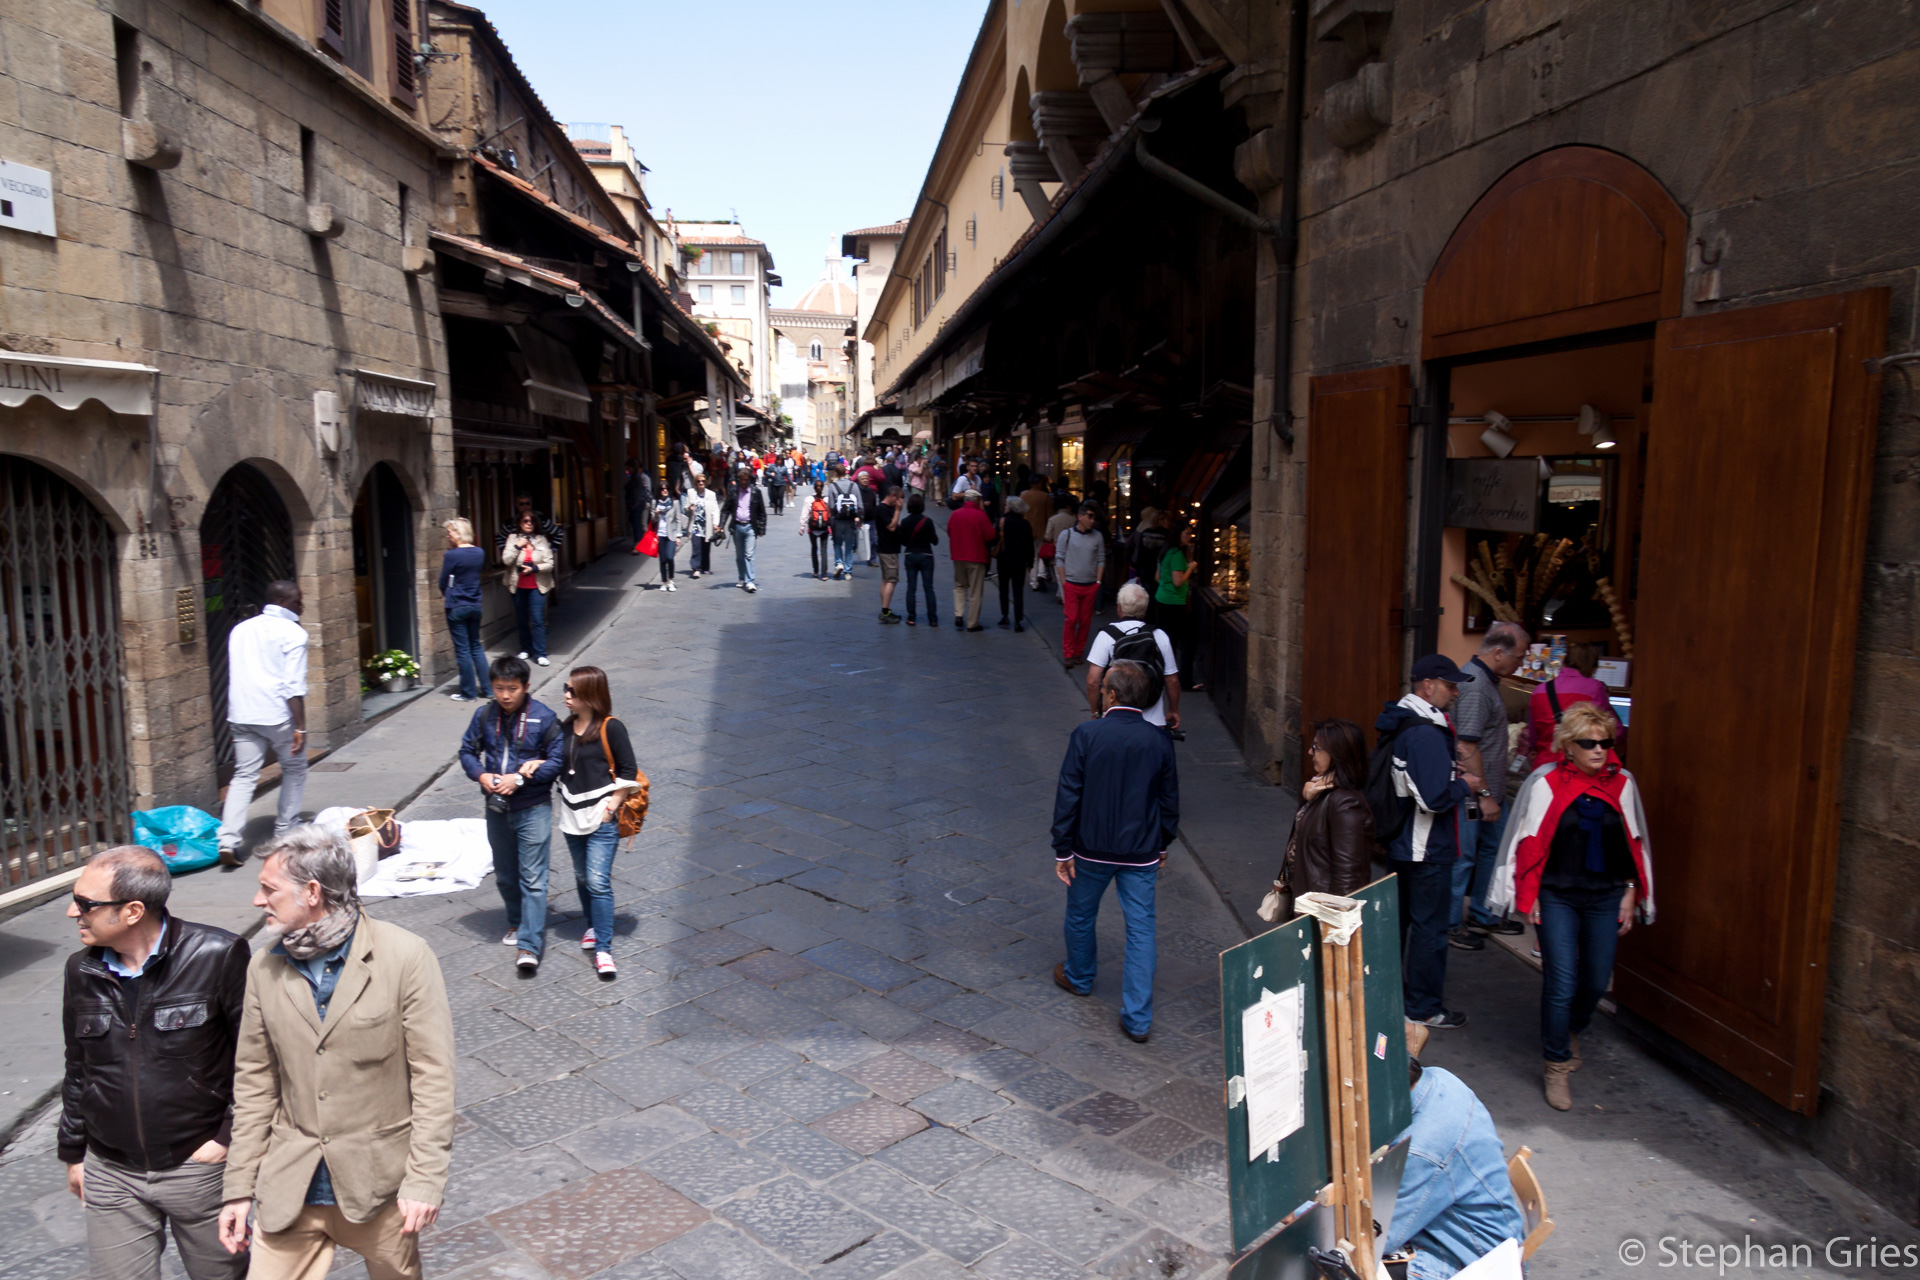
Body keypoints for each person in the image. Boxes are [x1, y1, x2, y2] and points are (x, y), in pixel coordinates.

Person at [218, 827, 455, 1280]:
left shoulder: (405, 956)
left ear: (311, 892)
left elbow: (433, 1078)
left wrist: (425, 1180)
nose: (257, 900)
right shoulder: (264, 968)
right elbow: (254, 1086)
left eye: (269, 889)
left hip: (378, 1188)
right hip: (291, 1189)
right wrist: (238, 1188)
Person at [59, 846, 251, 1280]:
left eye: (86, 904)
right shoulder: (80, 970)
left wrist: (227, 1138)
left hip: (197, 1165)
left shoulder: (218, 954)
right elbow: (78, 1067)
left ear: (131, 911)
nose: (74, 913)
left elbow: (258, 1059)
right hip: (110, 1170)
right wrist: (74, 1152)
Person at [1494, 700, 1652, 1110]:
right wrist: (1527, 899)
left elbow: (1632, 844)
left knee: (1597, 981)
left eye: (1605, 742)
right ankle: (1556, 1063)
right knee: (1561, 982)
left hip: (1605, 896)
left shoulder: (1623, 784)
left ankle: (1572, 1029)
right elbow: (1527, 844)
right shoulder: (1545, 783)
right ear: (1569, 746)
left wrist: (1632, 889)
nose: (1599, 750)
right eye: (1589, 743)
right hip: (1557, 896)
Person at [1051, 660, 1181, 1043]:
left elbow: (1068, 794)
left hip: (1090, 848)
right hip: (1140, 851)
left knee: (1080, 915)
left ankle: (1079, 976)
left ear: (1110, 694)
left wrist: (1063, 848)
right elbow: (1169, 801)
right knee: (1141, 930)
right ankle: (1138, 1018)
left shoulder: (1087, 734)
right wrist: (1162, 842)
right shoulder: (1158, 741)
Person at [1376, 654, 1486, 1031]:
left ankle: (1391, 996)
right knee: (1430, 929)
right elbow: (1434, 798)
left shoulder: (1408, 722)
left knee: (1403, 924)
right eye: (1450, 686)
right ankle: (1422, 1008)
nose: (1455, 693)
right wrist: (1465, 784)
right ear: (1428, 686)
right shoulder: (1425, 733)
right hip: (1425, 848)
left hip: (1404, 843)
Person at [458, 656, 566, 973]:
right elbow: (466, 751)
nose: (505, 695)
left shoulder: (544, 718)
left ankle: (529, 945)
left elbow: (557, 761)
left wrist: (521, 777)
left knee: (533, 878)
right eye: (499, 688)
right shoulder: (484, 716)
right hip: (496, 808)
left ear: (526, 687)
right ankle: (517, 921)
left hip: (533, 807)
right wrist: (481, 775)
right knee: (505, 874)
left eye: (512, 689)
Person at [1380, 1057, 1528, 1279]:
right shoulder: (1440, 1078)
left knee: (1341, 1263)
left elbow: (1380, 1236)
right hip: (1490, 1234)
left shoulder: (1422, 1150)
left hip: (1477, 1262)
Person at [1447, 622, 1530, 952]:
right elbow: (1466, 747)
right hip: (1475, 793)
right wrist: (1483, 796)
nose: (1521, 664)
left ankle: (1483, 912)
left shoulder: (1487, 680)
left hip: (1489, 792)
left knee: (1494, 852)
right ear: (1498, 653)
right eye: (1519, 658)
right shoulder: (1477, 685)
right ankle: (1451, 924)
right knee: (1464, 858)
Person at [556, 666, 641, 980]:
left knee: (597, 881)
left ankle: (604, 949)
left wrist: (612, 806)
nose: (566, 695)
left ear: (590, 695)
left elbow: (629, 770)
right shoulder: (564, 729)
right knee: (581, 876)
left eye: (572, 692)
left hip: (602, 817)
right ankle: (593, 925)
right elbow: (556, 764)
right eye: (566, 689)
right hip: (571, 816)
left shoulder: (611, 728)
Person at [216, 579, 309, 867]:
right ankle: (285, 830)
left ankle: (228, 839)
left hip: (241, 713)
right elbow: (293, 686)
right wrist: (300, 727)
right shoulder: (294, 633)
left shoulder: (241, 629)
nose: (301, 605)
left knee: (244, 776)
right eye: (297, 600)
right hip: (276, 714)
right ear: (282, 602)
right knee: (294, 768)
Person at [1275, 719, 1375, 914]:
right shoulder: (1319, 790)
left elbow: (1348, 877)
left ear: (1338, 754)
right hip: (1306, 901)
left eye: (1317, 748)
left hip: (1320, 913)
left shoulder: (1345, 804)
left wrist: (1331, 922)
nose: (1310, 752)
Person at [1085, 583, 1180, 732]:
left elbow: (1093, 681)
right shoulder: (1159, 636)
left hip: (1114, 721)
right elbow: (1172, 680)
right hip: (1152, 722)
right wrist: (1173, 710)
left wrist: (1095, 712)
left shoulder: (1106, 636)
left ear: (1119, 607)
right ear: (1145, 609)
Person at [1525, 642, 1618, 768]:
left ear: (1564, 663)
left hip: (1545, 766)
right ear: (1593, 668)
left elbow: (1533, 738)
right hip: (1578, 767)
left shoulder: (1539, 690)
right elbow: (1615, 731)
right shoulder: (1595, 688)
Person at [440, 518, 486, 702]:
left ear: (459, 533)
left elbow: (443, 581)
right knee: (476, 646)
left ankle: (468, 692)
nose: (448, 535)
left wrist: (448, 593)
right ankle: (489, 689)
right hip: (475, 604)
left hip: (457, 605)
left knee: (463, 650)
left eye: (450, 531)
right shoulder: (479, 552)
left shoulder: (451, 556)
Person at [501, 511, 555, 667]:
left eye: (532, 521)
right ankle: (525, 648)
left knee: (537, 619)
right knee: (521, 619)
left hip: (537, 585)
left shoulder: (541, 540)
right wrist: (518, 546)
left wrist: (535, 569)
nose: (529, 523)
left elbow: (550, 563)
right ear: (520, 523)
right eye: (525, 521)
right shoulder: (512, 539)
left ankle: (540, 653)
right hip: (517, 585)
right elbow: (506, 560)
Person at [1056, 504, 1106, 667]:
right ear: (1080, 516)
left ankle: (1078, 652)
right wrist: (1064, 581)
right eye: (1089, 516)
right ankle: (1068, 653)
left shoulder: (1097, 536)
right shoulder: (1067, 535)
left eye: (1094, 517)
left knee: (1085, 621)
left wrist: (1098, 581)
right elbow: (1059, 558)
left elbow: (1101, 559)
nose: (1092, 520)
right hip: (1071, 584)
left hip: (1090, 584)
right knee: (1071, 619)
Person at [1151, 522, 1198, 689]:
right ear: (1178, 534)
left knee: (1165, 640)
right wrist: (1191, 568)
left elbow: (1158, 577)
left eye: (1191, 534)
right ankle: (1184, 680)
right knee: (1186, 642)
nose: (1189, 537)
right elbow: (1178, 582)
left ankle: (1160, 674)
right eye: (1186, 533)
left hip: (1162, 599)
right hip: (1176, 603)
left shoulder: (1165, 552)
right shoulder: (1177, 554)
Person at [948, 489, 995, 632]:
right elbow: (990, 536)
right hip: (976, 557)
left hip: (958, 556)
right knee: (975, 590)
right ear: (977, 501)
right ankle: (972, 622)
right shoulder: (981, 516)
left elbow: (950, 531)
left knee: (960, 586)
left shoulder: (955, 514)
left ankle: (959, 614)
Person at [991, 495, 1036, 631]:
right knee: (1018, 591)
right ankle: (1018, 620)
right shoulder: (1025, 524)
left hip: (1004, 560)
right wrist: (1030, 563)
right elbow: (1030, 545)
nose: (1005, 507)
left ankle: (1004, 615)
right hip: (1019, 562)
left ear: (1010, 507)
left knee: (1003, 589)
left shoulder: (1002, 522)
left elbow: (993, 540)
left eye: (1006, 505)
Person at [897, 492, 941, 626]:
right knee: (929, 588)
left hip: (910, 555)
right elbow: (935, 541)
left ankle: (911, 617)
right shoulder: (927, 521)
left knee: (911, 588)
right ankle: (932, 619)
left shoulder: (905, 521)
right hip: (926, 556)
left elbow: (903, 541)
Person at [725, 465, 767, 593]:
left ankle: (750, 581)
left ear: (749, 479)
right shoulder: (733, 491)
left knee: (749, 555)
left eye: (746, 480)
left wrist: (761, 529)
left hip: (750, 527)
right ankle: (742, 577)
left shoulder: (755, 492)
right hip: (737, 526)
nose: (744, 482)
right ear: (738, 480)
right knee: (739, 555)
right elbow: (725, 509)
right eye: (741, 480)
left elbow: (762, 512)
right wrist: (721, 526)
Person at [873, 485, 906, 623]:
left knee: (886, 579)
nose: (900, 502)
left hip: (887, 547)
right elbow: (891, 527)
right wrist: (898, 510)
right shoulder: (882, 509)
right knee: (892, 580)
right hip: (888, 549)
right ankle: (885, 612)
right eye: (899, 499)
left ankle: (885, 609)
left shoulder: (886, 508)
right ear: (892, 496)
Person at [494, 492, 563, 558]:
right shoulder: (510, 523)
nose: (525, 506)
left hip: (539, 562)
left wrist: (552, 550)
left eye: (527, 503)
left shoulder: (542, 519)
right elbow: (499, 538)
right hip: (518, 560)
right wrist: (506, 553)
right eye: (521, 504)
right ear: (516, 505)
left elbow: (558, 533)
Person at [825, 464, 863, 579]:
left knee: (837, 542)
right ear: (846, 472)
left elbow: (831, 506)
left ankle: (839, 563)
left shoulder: (833, 486)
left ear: (836, 473)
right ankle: (848, 571)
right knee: (849, 545)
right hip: (851, 519)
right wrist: (859, 518)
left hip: (838, 519)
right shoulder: (854, 485)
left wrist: (830, 521)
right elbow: (859, 504)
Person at [684, 471, 721, 580]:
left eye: (703, 481)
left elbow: (715, 509)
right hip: (695, 525)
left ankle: (705, 567)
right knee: (696, 547)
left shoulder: (711, 494)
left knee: (706, 546)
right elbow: (685, 507)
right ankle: (696, 569)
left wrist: (716, 523)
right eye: (699, 481)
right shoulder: (691, 492)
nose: (701, 483)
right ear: (695, 483)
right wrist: (689, 508)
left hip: (707, 525)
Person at [1020, 474, 1053, 587]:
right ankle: (1041, 574)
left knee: (1032, 556)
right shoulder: (1045, 497)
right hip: (1042, 529)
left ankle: (1034, 581)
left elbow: (1020, 514)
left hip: (1026, 530)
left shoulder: (1023, 496)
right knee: (1041, 554)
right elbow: (1050, 516)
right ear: (1039, 483)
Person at [800, 481, 833, 580]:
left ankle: (815, 571)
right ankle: (824, 574)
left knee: (814, 548)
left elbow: (804, 514)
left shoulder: (809, 499)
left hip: (813, 528)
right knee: (824, 550)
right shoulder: (827, 499)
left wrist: (802, 527)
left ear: (814, 488)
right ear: (822, 488)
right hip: (824, 528)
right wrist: (831, 527)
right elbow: (830, 515)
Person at [653, 485, 681, 592]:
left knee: (670, 557)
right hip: (660, 535)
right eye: (662, 489)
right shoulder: (655, 503)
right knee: (663, 560)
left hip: (672, 535)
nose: (664, 490)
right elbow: (653, 521)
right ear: (659, 491)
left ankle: (671, 580)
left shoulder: (675, 503)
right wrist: (655, 514)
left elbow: (678, 519)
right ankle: (664, 582)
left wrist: (678, 536)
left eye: (666, 488)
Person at [623, 464, 652, 551]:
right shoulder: (636, 477)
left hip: (637, 503)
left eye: (629, 468)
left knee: (638, 524)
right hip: (636, 503)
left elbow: (627, 487)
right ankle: (640, 543)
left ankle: (639, 544)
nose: (627, 470)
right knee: (636, 523)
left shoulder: (637, 478)